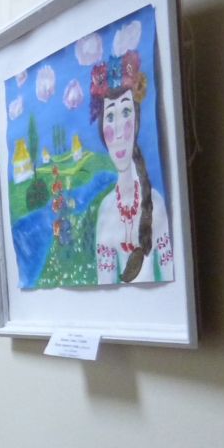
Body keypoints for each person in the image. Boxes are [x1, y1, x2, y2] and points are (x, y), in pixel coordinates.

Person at [89, 50, 173, 285]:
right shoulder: (106, 212)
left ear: (136, 122)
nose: (117, 131)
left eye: (125, 112)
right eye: (110, 117)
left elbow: (171, 278)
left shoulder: (156, 205)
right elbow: (104, 289)